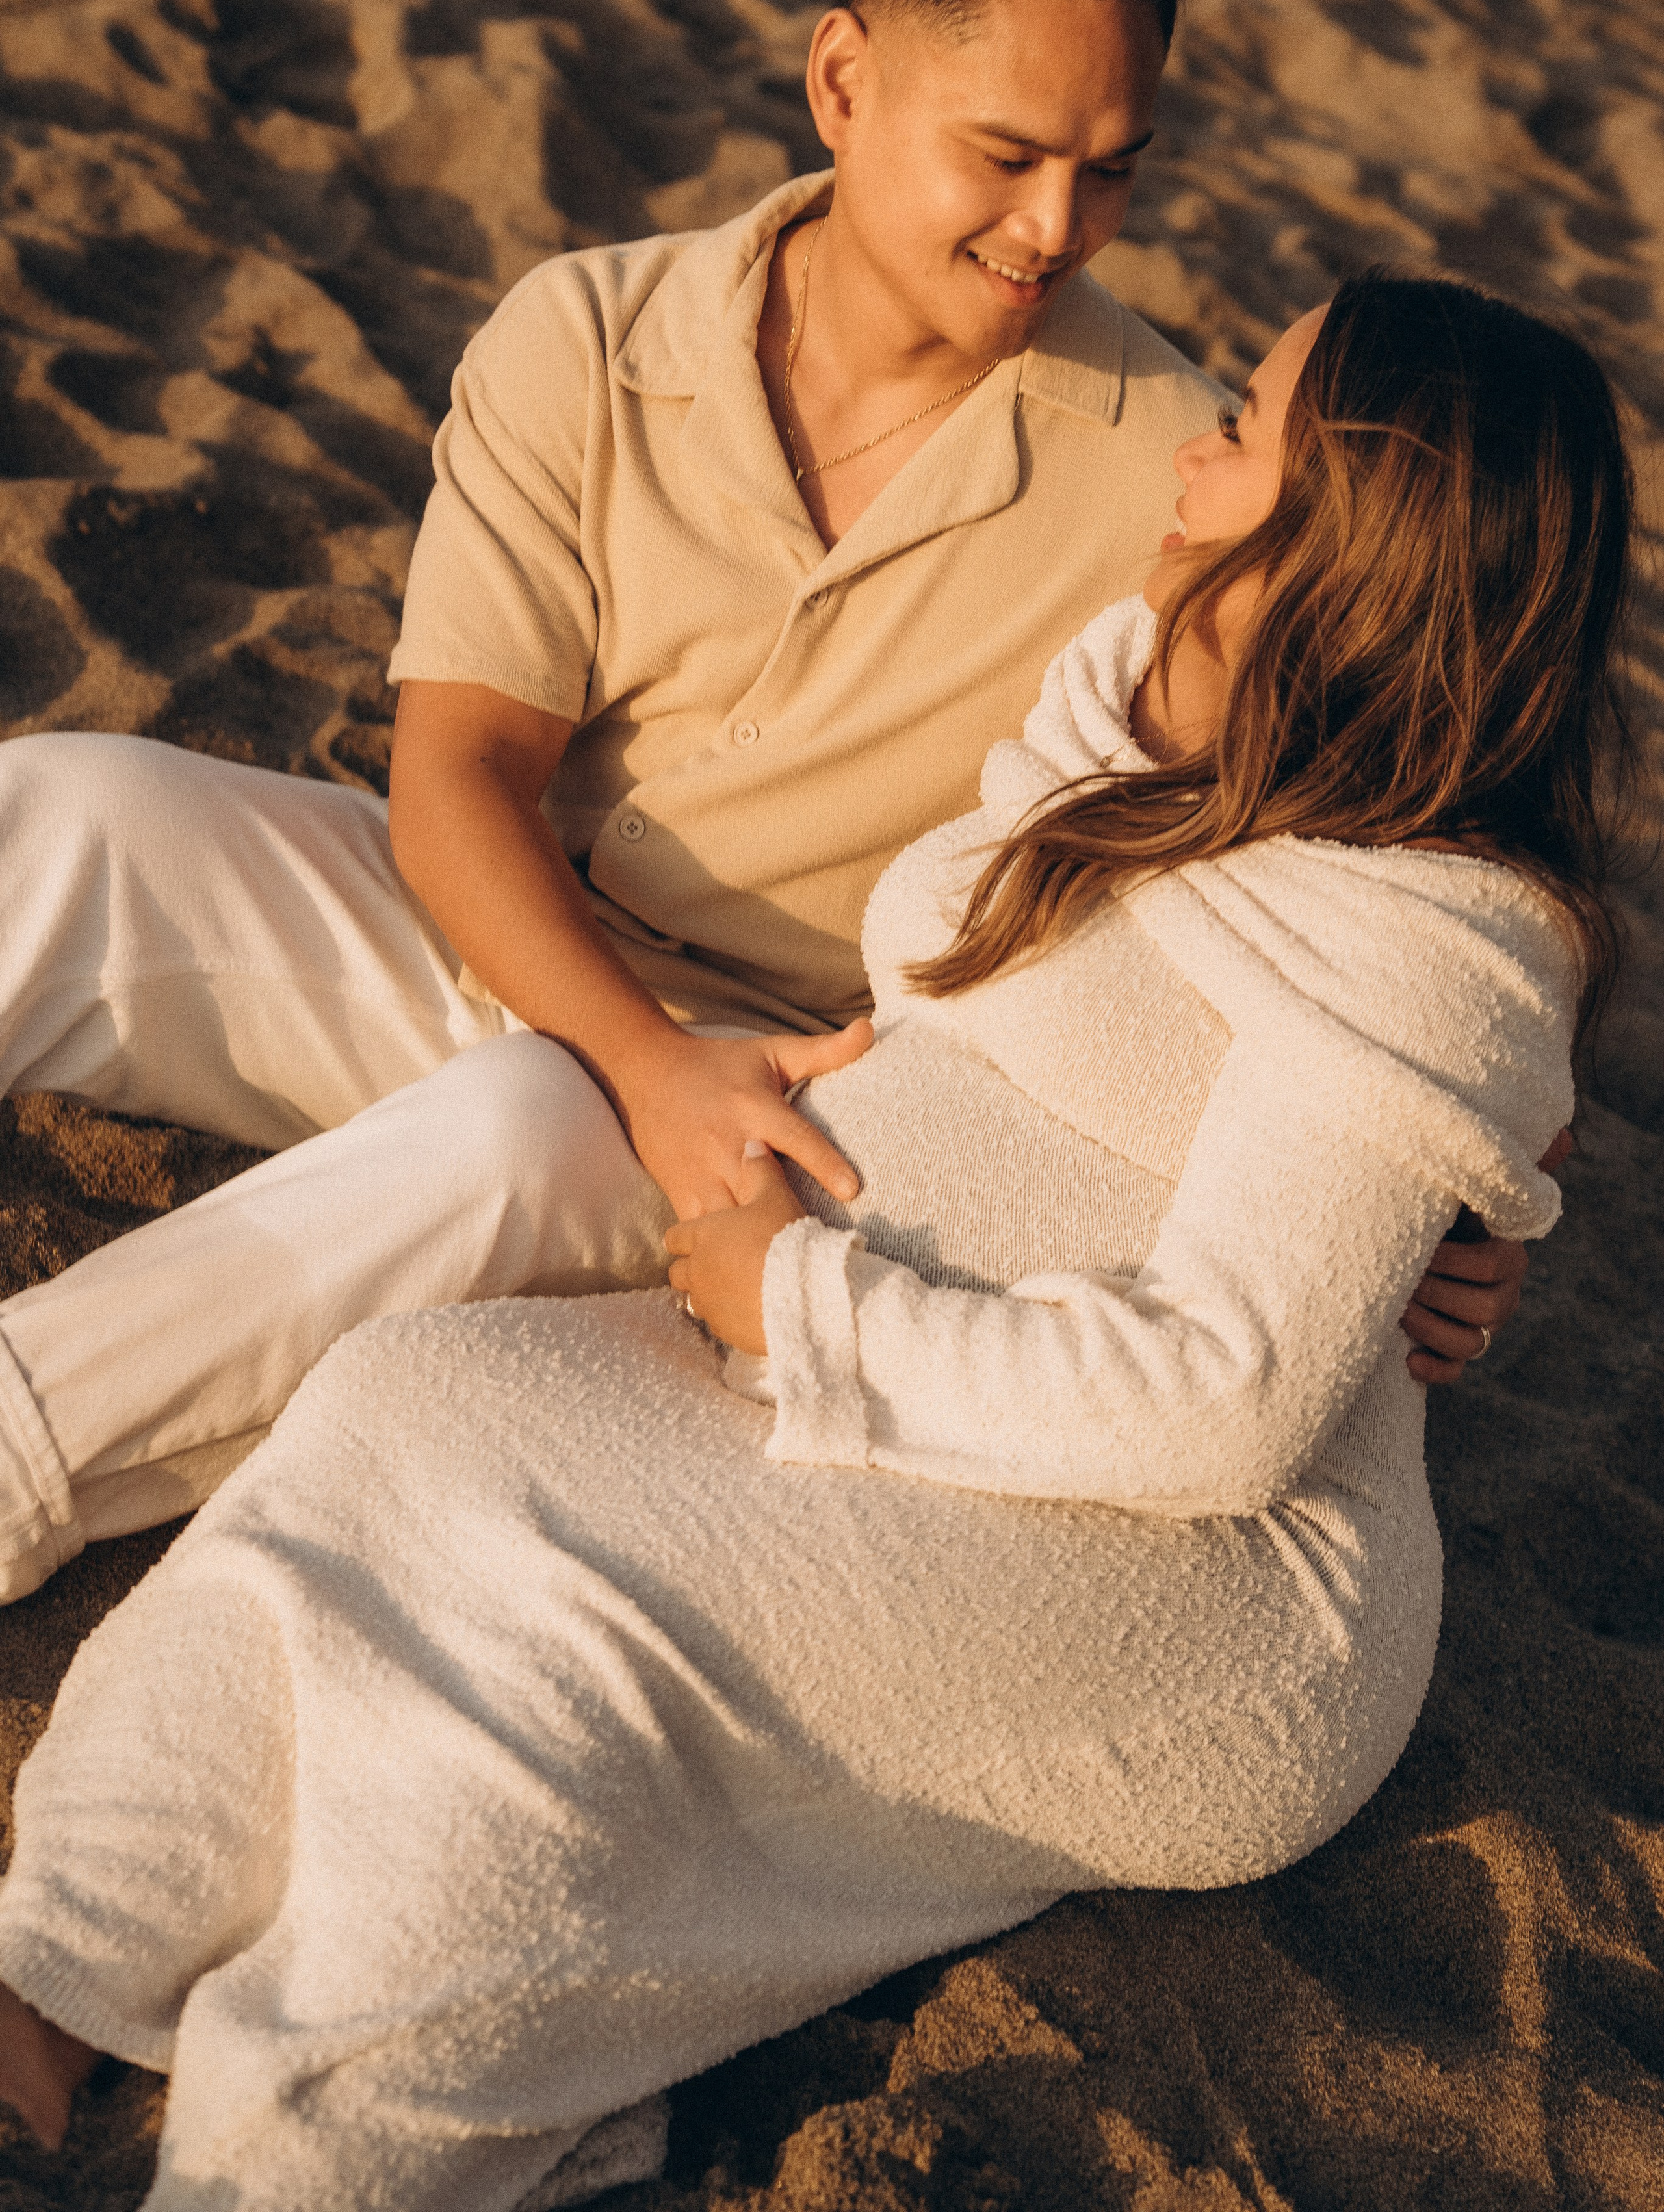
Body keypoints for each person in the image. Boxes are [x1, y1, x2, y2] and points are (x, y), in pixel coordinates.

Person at [0, 270, 1631, 2206]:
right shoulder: (1144, 703)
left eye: (1250, 431)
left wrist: (799, 1300)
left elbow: (1230, 1405)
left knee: (556, 1634)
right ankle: (59, 1966)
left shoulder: (1426, 933)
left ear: (1348, 527)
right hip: (890, 1349)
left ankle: (320, 2146)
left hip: (1196, 1564)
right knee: (399, 1412)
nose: (1198, 448)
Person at [0, 0, 1522, 1604]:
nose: (1058, 229)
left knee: (499, 1134)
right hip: (509, 929)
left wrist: (1466, 1187)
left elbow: (1385, 827)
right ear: (843, 79)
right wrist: (634, 1052)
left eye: (1114, 170)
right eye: (1010, 153)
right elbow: (459, 782)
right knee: (72, 805)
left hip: (796, 1101)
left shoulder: (1171, 486)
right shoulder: (586, 332)